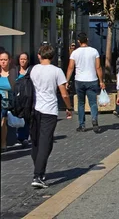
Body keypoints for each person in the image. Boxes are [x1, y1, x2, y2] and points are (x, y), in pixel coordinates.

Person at [29, 44, 73, 188]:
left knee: (35, 141)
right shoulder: (57, 71)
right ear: (53, 57)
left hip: (35, 109)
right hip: (50, 110)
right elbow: (64, 93)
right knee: (45, 143)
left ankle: (38, 170)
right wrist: (68, 107)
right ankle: (38, 175)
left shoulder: (34, 69)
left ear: (39, 55)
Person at [65, 33, 105, 133]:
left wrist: (67, 81)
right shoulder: (94, 51)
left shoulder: (75, 53)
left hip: (79, 80)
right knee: (93, 103)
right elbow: (98, 67)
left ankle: (81, 125)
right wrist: (101, 81)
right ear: (87, 39)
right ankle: (94, 119)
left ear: (78, 41)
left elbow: (70, 67)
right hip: (92, 79)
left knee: (81, 103)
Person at [0, 51, 18, 152]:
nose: (3, 62)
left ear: (9, 60)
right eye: (1, 60)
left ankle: (3, 142)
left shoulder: (13, 72)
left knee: (3, 118)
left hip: (8, 100)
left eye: (5, 60)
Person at [15, 53, 32, 147]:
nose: (22, 61)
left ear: (28, 60)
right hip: (16, 98)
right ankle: (16, 136)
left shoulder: (30, 72)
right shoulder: (15, 71)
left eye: (24, 59)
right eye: (21, 59)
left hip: (26, 98)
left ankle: (23, 137)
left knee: (26, 117)